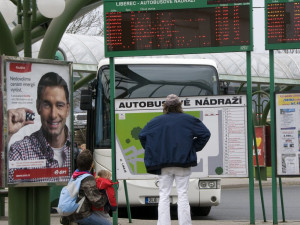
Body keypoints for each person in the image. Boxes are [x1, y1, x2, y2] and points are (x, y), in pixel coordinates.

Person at [138, 94, 211, 225]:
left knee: (164, 195)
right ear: (180, 105)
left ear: (165, 106)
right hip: (183, 163)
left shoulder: (155, 121)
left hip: (163, 164)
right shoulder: (189, 120)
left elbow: (142, 136)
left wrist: (155, 151)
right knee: (182, 194)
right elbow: (205, 134)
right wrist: (192, 148)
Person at [8, 72, 71, 182]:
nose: (53, 115)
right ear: (38, 107)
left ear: (68, 109)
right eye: (47, 105)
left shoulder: (77, 151)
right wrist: (7, 134)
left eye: (59, 105)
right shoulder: (21, 151)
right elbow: (4, 177)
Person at [63, 150, 111, 225]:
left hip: (69, 212)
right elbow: (97, 202)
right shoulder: (87, 178)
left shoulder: (75, 175)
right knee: (108, 224)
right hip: (81, 215)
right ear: (92, 165)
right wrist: (106, 195)